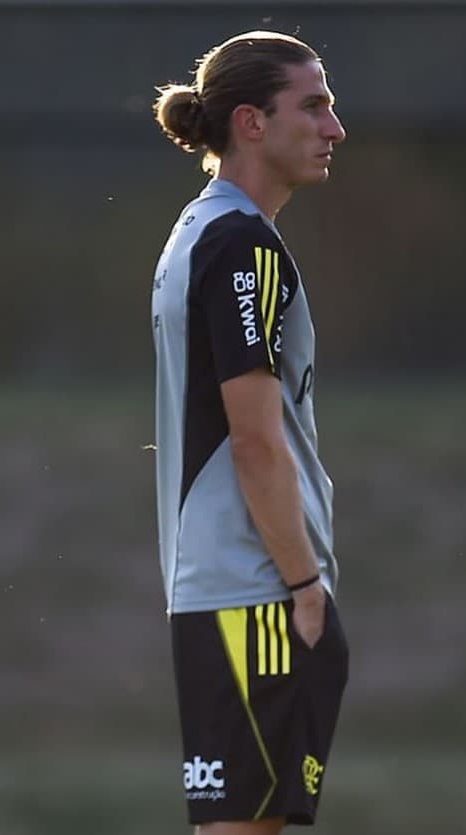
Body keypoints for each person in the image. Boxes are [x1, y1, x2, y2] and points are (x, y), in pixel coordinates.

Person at [149, 30, 349, 834]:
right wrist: (305, 587)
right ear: (251, 122)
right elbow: (255, 440)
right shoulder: (242, 245)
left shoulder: (198, 230)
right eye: (314, 105)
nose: (334, 128)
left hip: (218, 589)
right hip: (258, 592)